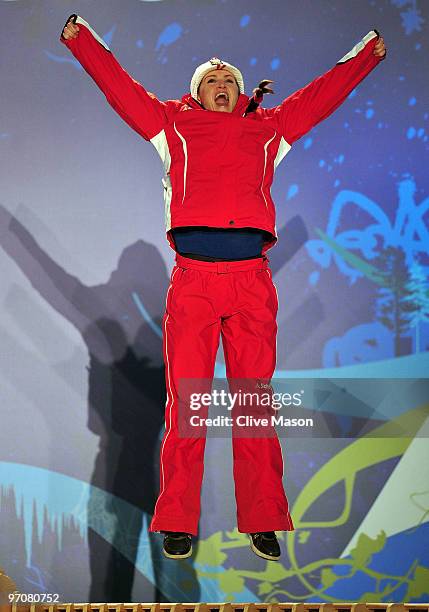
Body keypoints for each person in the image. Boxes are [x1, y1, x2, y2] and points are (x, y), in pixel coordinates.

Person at [60, 15, 386, 561]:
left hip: (251, 284)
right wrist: (81, 39)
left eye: (230, 81)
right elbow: (119, 84)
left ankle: (262, 517)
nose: (221, 85)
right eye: (211, 80)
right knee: (187, 405)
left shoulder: (271, 128)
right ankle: (177, 520)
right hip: (193, 283)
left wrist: (368, 53)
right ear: (194, 92)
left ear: (242, 93)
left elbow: (322, 96)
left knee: (254, 405)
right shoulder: (171, 124)